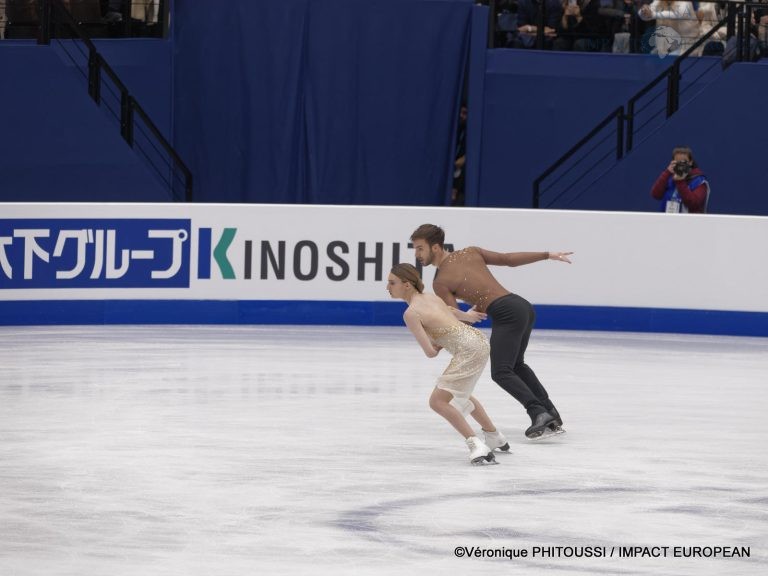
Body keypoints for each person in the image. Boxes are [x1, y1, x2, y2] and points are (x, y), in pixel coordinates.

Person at [410, 224, 573, 440]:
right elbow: (507, 259)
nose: (417, 254)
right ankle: (551, 413)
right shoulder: (471, 252)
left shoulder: (440, 282)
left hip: (506, 312)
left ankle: (538, 412)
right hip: (521, 306)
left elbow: (455, 323)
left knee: (501, 372)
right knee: (517, 365)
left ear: (436, 248)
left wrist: (438, 341)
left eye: (420, 248)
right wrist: (547, 255)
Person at [387, 263, 508, 465]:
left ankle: (476, 445)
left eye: (392, 283)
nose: (387, 287)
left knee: (437, 401)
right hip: (478, 340)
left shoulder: (411, 313)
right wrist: (466, 316)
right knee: (461, 393)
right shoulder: (431, 298)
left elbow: (430, 352)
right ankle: (494, 436)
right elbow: (449, 309)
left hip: (468, 350)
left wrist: (439, 342)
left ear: (407, 285)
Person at [650, 146, 710, 213]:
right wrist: (667, 172)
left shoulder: (699, 181)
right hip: (667, 220)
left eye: (684, 162)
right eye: (677, 162)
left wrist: (680, 182)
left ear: (690, 162)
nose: (681, 165)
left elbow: (694, 204)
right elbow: (656, 195)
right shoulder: (669, 177)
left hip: (689, 222)